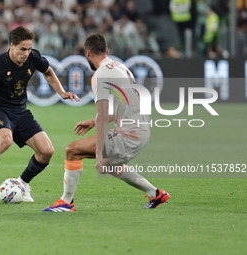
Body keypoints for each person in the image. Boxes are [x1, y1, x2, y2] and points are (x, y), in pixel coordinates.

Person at [43, 34, 169, 212]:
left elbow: (102, 115)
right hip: (142, 131)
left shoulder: (100, 75)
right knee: (112, 166)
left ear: (88, 53)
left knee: (72, 150)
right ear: (107, 51)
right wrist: (93, 122)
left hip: (129, 134)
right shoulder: (121, 68)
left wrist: (99, 151)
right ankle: (156, 194)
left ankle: (66, 202)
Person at [0, 26, 80, 204]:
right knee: (5, 140)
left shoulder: (33, 58)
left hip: (20, 110)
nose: (26, 53)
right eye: (23, 49)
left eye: (29, 48)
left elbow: (48, 72)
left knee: (47, 151)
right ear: (12, 46)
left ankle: (22, 184)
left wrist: (61, 92)